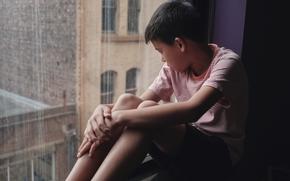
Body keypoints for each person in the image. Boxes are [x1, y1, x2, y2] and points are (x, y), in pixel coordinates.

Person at [66, 1, 248, 181]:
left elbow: (193, 110)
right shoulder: (174, 68)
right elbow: (134, 104)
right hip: (182, 148)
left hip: (217, 157)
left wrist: (118, 118)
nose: (162, 59)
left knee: (145, 110)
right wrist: (103, 111)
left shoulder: (227, 64)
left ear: (180, 44)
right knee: (126, 101)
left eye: (161, 50)